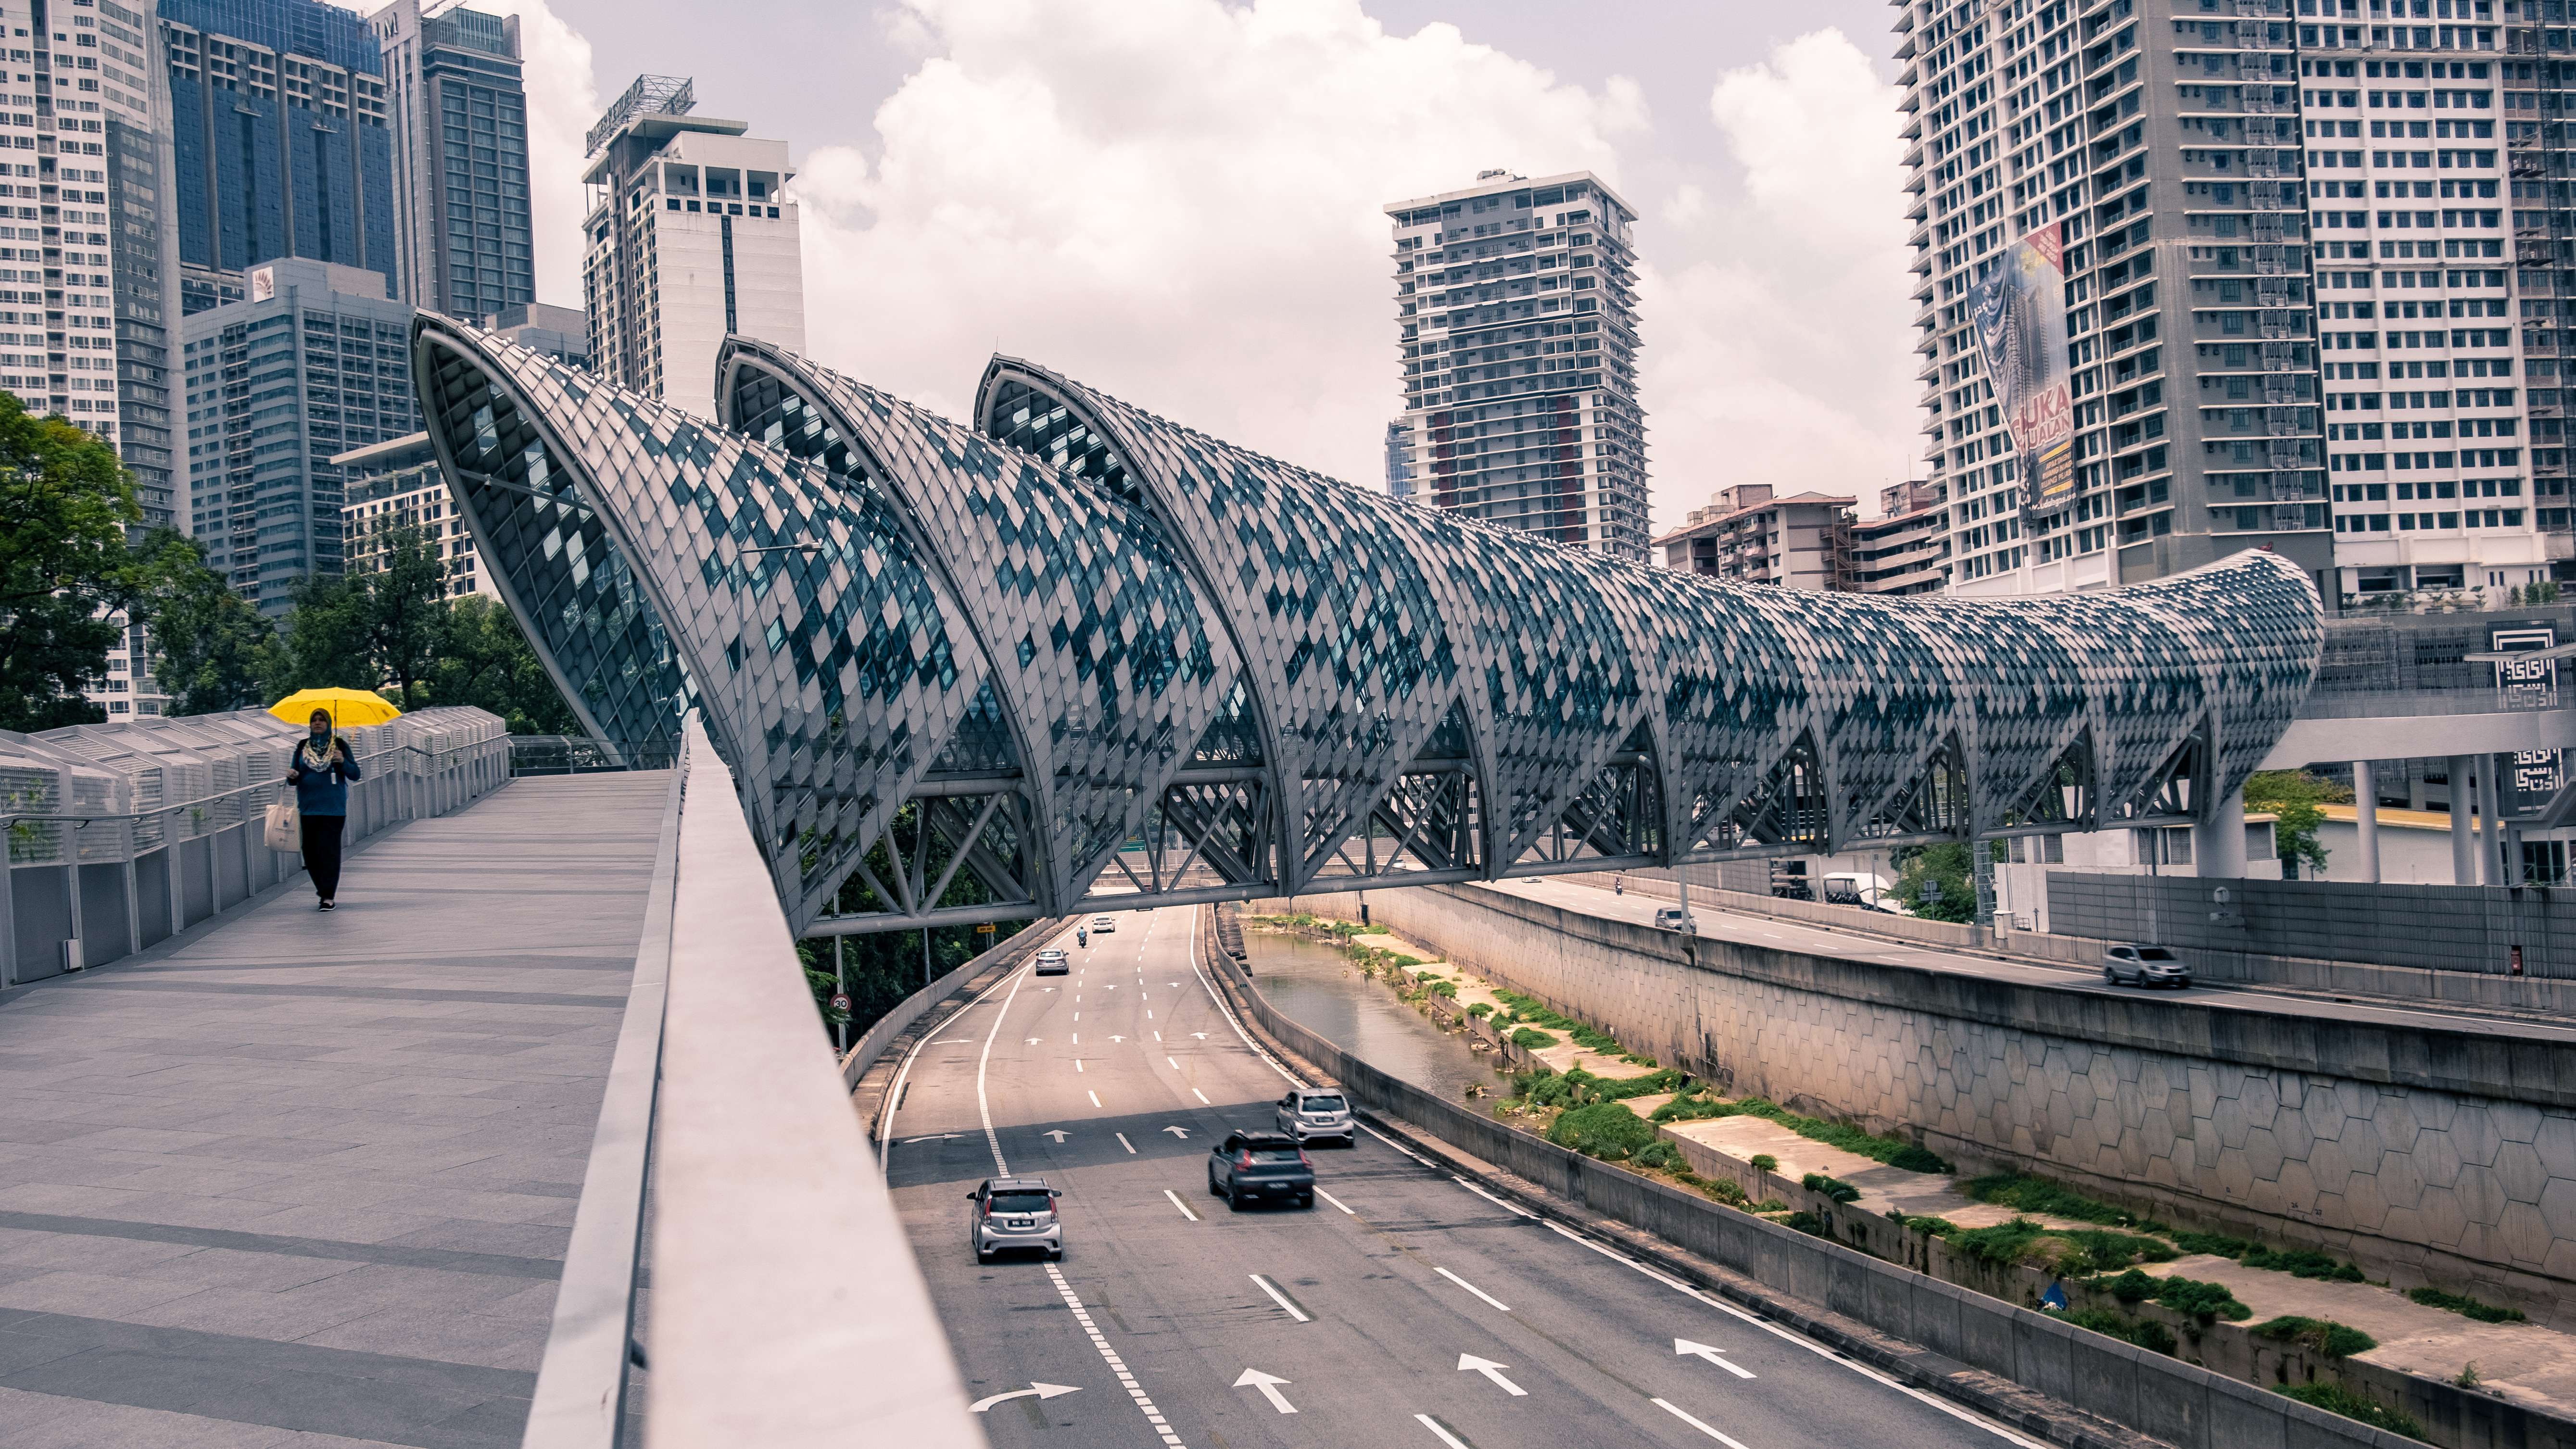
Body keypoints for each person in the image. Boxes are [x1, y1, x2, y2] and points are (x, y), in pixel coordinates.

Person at [284, 708, 361, 910]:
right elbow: (294, 777)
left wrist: (343, 762)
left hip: (333, 809)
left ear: (328, 723)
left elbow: (355, 774)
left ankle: (328, 896)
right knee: (310, 854)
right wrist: (292, 776)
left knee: (329, 852)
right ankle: (323, 888)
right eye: (314, 720)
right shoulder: (302, 746)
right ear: (310, 725)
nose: (318, 723)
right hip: (308, 808)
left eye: (322, 720)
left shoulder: (340, 745)